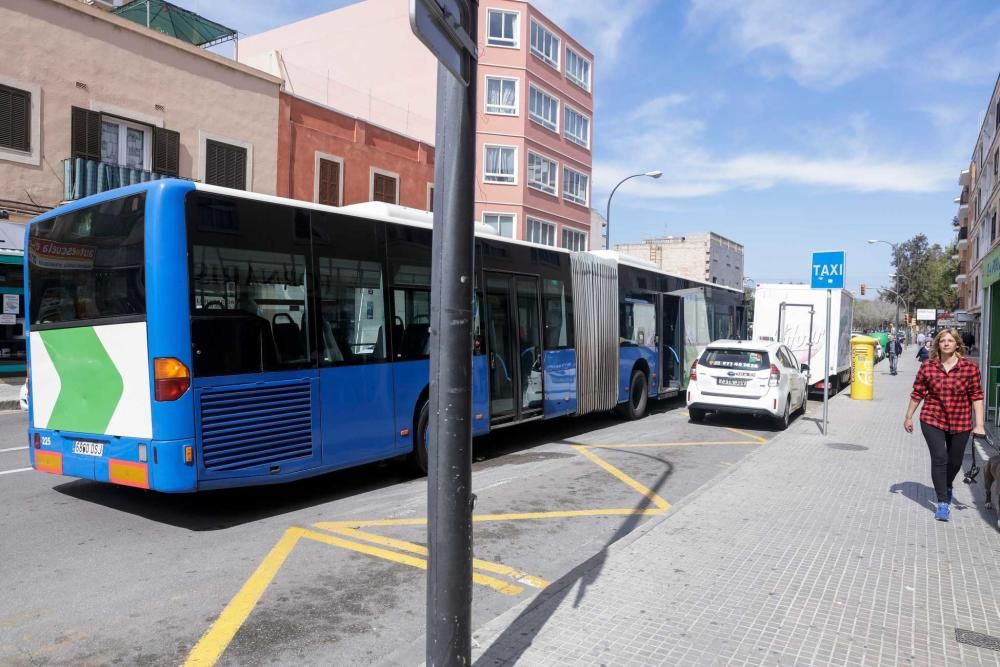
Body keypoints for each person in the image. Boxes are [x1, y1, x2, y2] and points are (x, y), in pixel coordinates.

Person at [904, 329, 985, 521]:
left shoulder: (969, 368)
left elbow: (977, 397)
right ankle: (942, 502)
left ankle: (946, 485)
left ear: (957, 344)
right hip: (932, 419)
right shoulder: (928, 367)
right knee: (939, 458)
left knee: (955, 462)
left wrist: (979, 424)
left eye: (950, 341)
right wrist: (908, 417)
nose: (946, 344)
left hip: (961, 421)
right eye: (943, 341)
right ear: (937, 344)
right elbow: (917, 393)